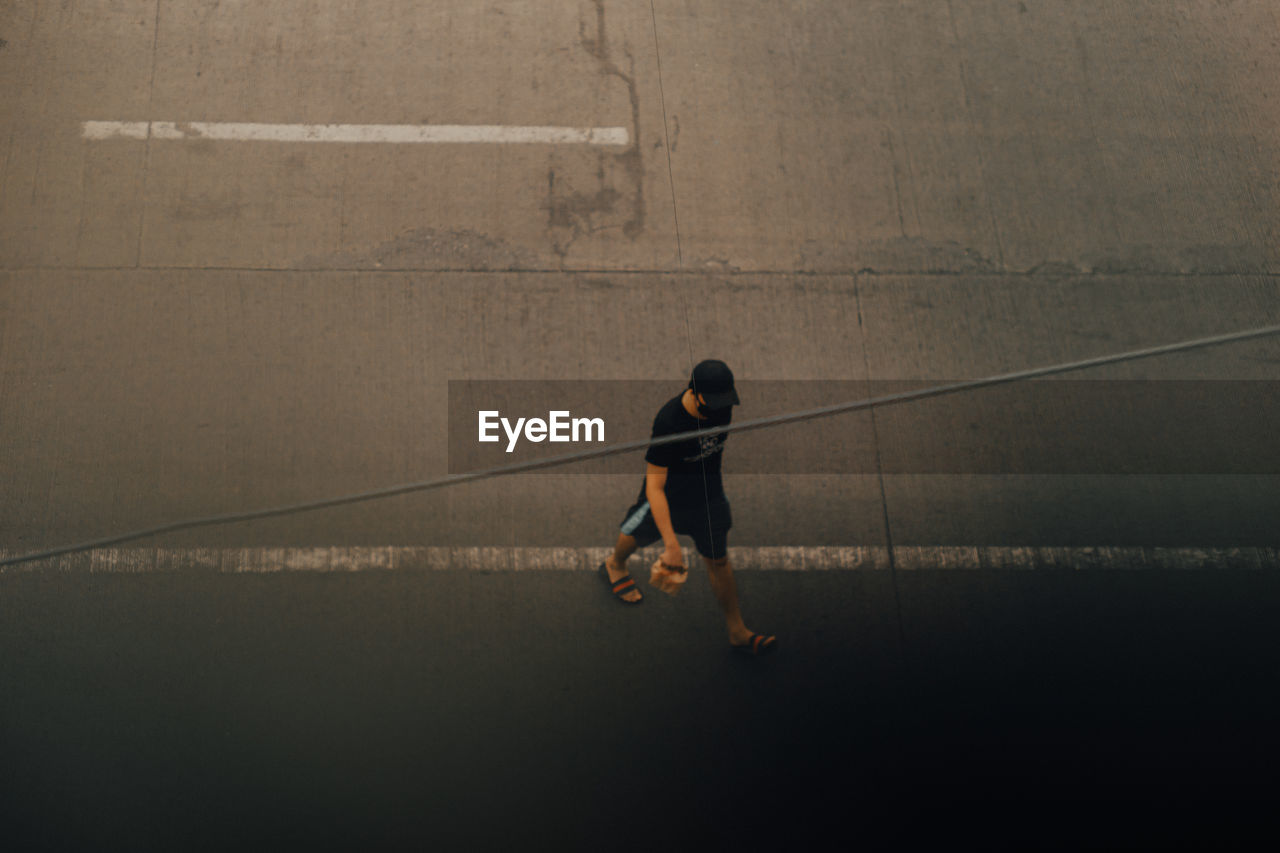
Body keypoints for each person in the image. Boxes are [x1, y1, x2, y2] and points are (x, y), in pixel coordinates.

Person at [597, 359, 777, 656]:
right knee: (635, 533)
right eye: (714, 401)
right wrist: (671, 544)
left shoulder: (720, 405)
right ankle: (614, 564)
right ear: (693, 392)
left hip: (708, 496)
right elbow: (655, 487)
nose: (721, 409)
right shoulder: (669, 423)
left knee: (719, 561)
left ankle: (737, 630)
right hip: (668, 496)